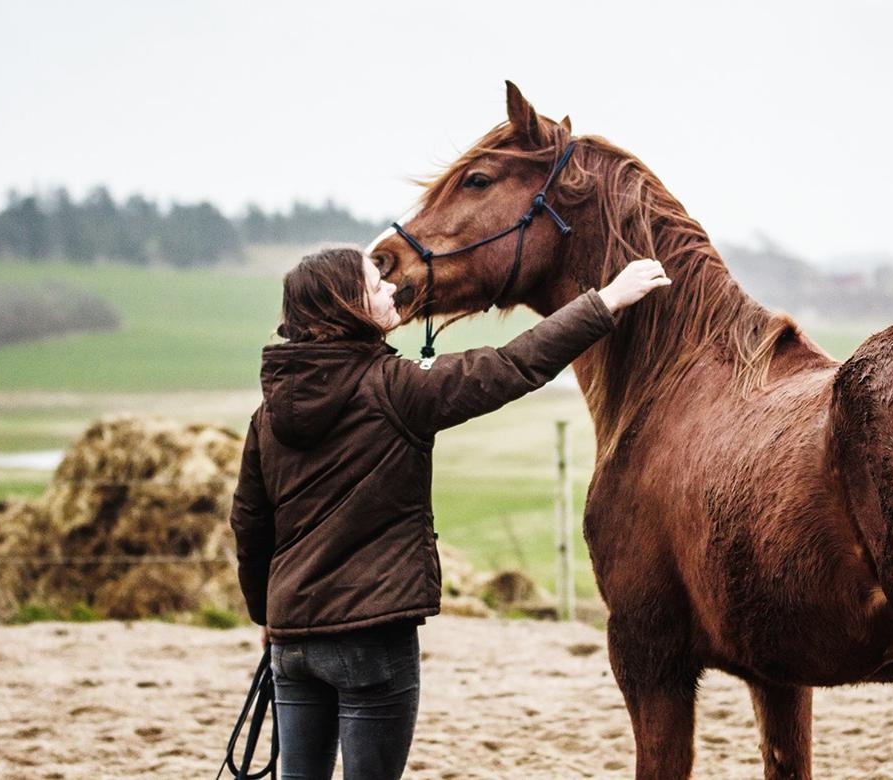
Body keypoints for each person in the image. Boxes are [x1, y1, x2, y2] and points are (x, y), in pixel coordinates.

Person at [229, 244, 670, 780]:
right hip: (371, 635)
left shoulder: (266, 414)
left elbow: (251, 526)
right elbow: (512, 365)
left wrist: (267, 617)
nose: (392, 289)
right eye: (375, 286)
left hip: (291, 641)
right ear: (347, 307)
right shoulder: (397, 390)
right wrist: (605, 303)